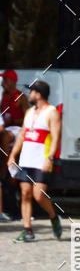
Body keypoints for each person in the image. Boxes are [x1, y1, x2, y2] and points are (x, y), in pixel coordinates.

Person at [8, 80, 62, 243]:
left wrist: (50, 158)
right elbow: (22, 135)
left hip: (42, 160)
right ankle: (27, 230)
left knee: (39, 196)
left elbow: (56, 138)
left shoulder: (52, 112)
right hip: (26, 159)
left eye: (31, 91)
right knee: (25, 194)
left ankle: (53, 217)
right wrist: (12, 155)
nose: (28, 94)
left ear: (38, 94)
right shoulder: (30, 112)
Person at [0, 70, 27, 222]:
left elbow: (27, 117)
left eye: (5, 80)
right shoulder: (3, 96)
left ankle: (4, 164)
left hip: (17, 130)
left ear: (12, 81)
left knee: (4, 136)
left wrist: (16, 121)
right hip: (7, 128)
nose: (3, 83)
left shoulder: (21, 97)